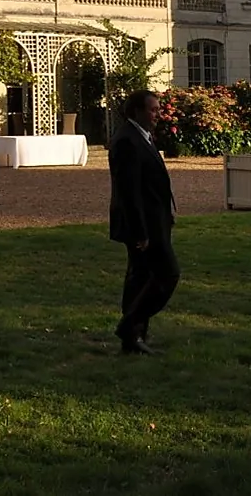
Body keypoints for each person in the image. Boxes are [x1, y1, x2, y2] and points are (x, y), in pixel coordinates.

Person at [109, 90, 178, 356]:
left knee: (140, 278)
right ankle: (129, 327)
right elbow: (129, 191)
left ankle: (135, 337)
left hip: (154, 220)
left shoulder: (141, 136)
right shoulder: (127, 140)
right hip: (144, 225)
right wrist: (140, 231)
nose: (157, 115)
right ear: (136, 111)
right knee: (167, 274)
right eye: (152, 110)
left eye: (158, 109)